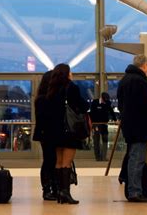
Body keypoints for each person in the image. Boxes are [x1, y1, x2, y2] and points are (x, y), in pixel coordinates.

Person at [117, 54, 147, 203]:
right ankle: (135, 192)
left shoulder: (125, 80)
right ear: (143, 66)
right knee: (137, 160)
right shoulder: (140, 82)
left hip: (130, 126)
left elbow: (121, 105)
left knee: (133, 158)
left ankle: (133, 190)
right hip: (140, 127)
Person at [46, 63, 88, 204]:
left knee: (58, 162)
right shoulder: (72, 87)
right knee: (67, 162)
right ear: (67, 73)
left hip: (55, 130)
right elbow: (82, 106)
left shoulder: (51, 88)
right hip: (69, 130)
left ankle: (59, 192)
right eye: (70, 72)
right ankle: (65, 193)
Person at [32, 70, 57, 201]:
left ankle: (51, 187)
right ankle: (47, 189)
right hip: (47, 134)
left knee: (50, 160)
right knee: (49, 161)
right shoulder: (44, 99)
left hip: (46, 134)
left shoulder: (41, 98)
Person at [89, 92, 116, 161]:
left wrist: (115, 119)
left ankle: (104, 157)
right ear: (101, 97)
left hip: (104, 124)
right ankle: (97, 157)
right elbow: (91, 113)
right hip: (96, 124)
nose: (105, 101)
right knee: (96, 141)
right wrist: (91, 123)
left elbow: (111, 111)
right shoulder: (95, 102)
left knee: (105, 139)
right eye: (104, 100)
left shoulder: (107, 103)